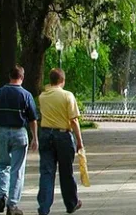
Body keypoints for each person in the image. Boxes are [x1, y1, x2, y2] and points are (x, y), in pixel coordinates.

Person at [0, 65, 38, 215]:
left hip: (2, 132)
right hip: (20, 133)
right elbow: (33, 119)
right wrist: (35, 137)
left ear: (9, 76)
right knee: (17, 169)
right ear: (22, 77)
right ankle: (12, 205)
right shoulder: (26, 95)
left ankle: (2, 195)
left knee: (3, 165)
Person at [37, 68, 84, 215]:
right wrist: (79, 142)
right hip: (63, 136)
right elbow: (74, 120)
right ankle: (71, 203)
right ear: (62, 81)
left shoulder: (42, 96)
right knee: (66, 172)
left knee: (46, 172)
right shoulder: (67, 96)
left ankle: (44, 208)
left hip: (45, 134)